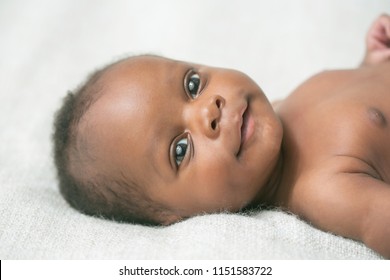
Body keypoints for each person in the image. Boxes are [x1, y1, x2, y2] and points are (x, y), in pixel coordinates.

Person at [53, 14, 390, 258]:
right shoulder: (323, 187)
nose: (208, 112)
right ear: (180, 217)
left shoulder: (284, 105)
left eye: (192, 85)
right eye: (180, 149)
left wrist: (371, 63)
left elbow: (359, 107)